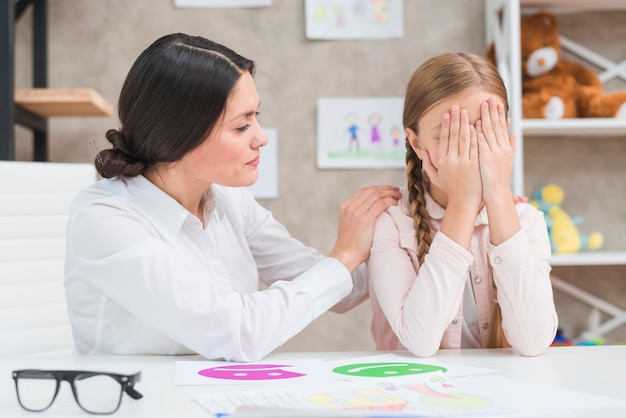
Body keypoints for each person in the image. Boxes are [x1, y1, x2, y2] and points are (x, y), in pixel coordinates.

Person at [64, 33, 400, 362]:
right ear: (179, 136)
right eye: (241, 126)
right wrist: (344, 255)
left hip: (210, 396)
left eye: (257, 117)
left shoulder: (226, 201)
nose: (261, 137)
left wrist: (416, 229)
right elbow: (238, 333)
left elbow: (341, 288)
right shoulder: (103, 219)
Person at [367, 52, 558, 358]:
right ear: (416, 143)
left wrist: (497, 193)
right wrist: (463, 203)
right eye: (451, 136)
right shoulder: (390, 223)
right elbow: (420, 341)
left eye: (483, 132)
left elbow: (533, 342)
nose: (467, 150)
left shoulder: (527, 220)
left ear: (505, 137)